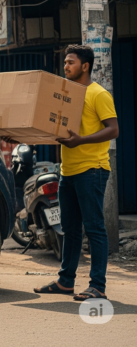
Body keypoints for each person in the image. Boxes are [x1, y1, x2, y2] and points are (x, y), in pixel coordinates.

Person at [34, 44, 118, 301]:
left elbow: (113, 129)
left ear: (85, 66)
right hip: (68, 172)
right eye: (65, 62)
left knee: (94, 228)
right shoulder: (67, 96)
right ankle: (65, 281)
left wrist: (80, 141)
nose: (65, 66)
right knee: (69, 228)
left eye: (70, 62)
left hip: (92, 170)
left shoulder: (98, 94)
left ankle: (98, 286)